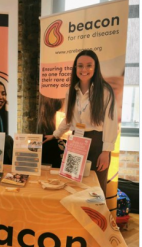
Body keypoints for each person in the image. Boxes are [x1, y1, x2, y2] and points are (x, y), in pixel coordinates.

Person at [43, 50, 117, 195]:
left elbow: (111, 122)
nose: (84, 69)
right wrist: (56, 134)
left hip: (97, 142)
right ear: (75, 68)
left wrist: (106, 151)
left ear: (95, 67)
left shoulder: (105, 91)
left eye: (89, 65)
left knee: (95, 187)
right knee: (73, 183)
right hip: (76, 140)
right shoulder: (71, 91)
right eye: (80, 65)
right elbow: (68, 118)